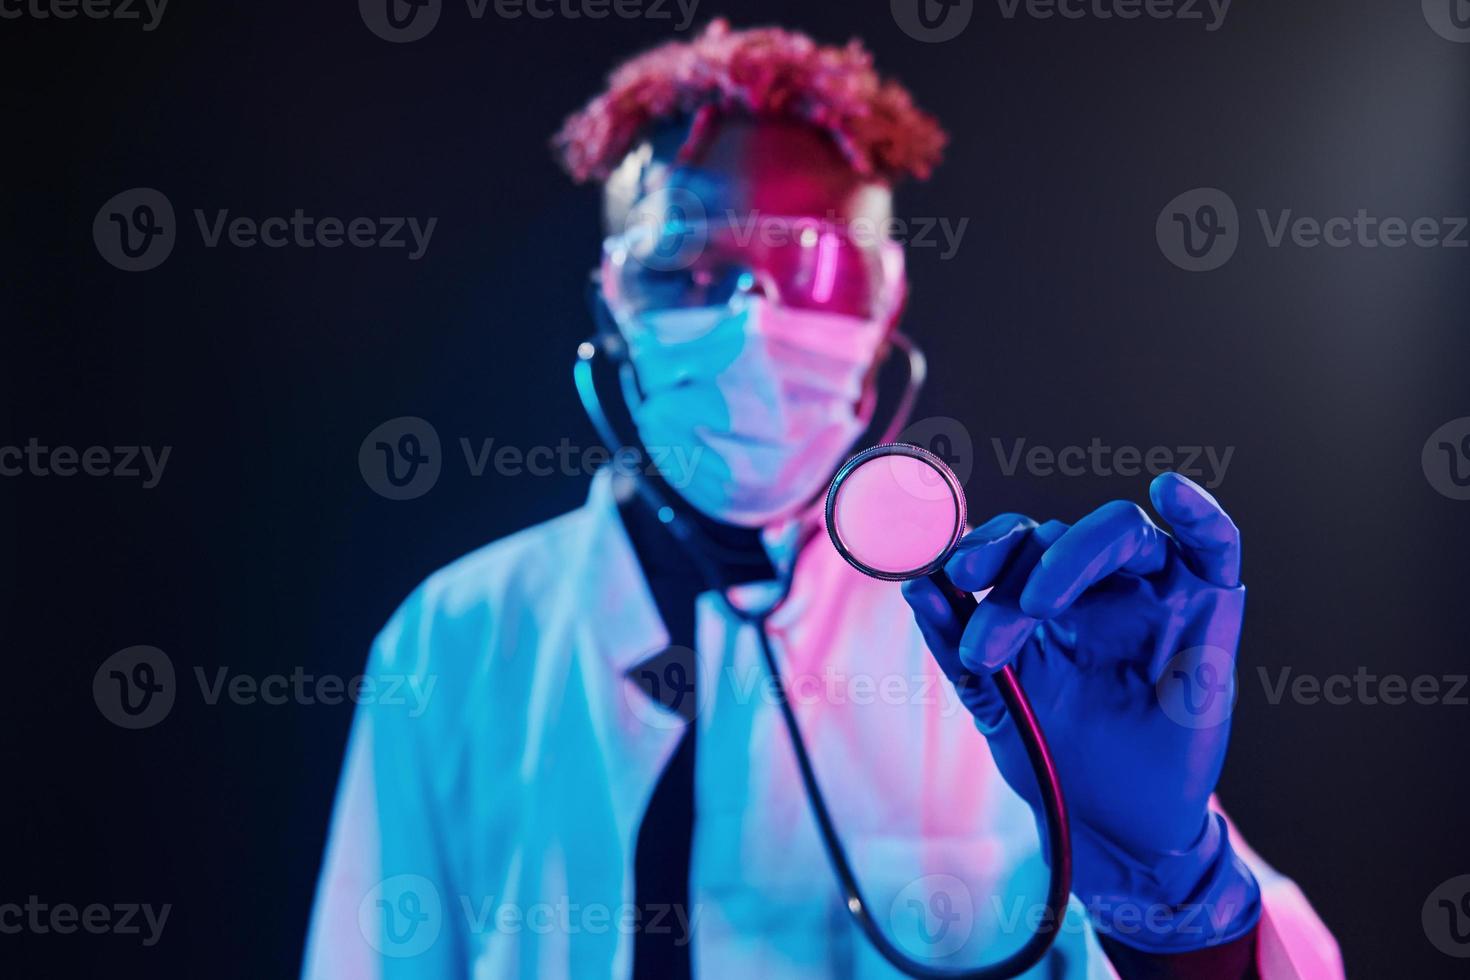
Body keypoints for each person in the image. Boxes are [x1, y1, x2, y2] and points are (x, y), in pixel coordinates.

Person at [303, 20, 1343, 979]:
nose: (751, 317)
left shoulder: (1011, 648)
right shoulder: (455, 635)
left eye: (813, 264)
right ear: (613, 302)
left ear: (885, 301)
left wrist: (1167, 881)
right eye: (684, 262)